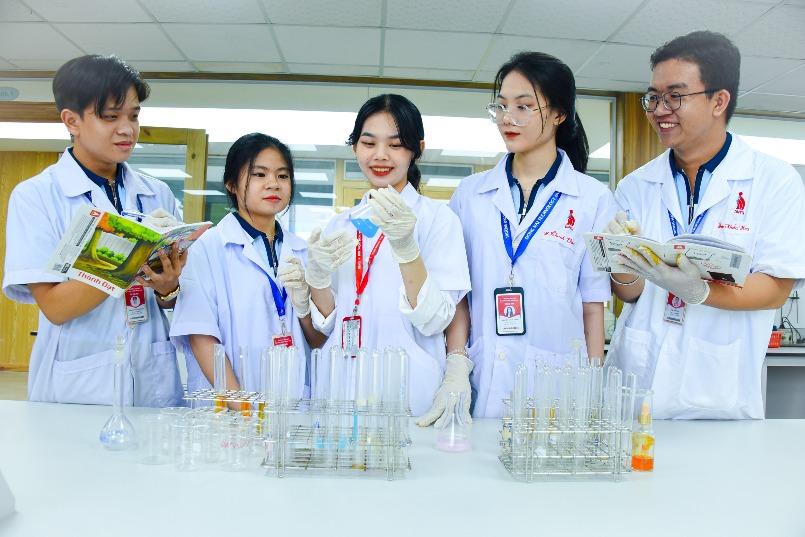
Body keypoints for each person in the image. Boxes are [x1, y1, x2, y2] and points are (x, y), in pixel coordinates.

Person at [605, 31, 805, 419]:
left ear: (718, 101)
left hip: (717, 390)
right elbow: (630, 295)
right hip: (635, 387)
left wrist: (698, 291)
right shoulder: (636, 185)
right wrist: (621, 264)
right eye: (653, 97)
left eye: (674, 96)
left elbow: (775, 289)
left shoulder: (773, 181)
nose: (659, 109)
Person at [426, 51, 616, 422]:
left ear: (559, 114)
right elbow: (459, 296)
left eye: (523, 107)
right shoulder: (470, 195)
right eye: (500, 106)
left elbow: (592, 304)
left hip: (559, 383)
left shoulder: (593, 199)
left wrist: (593, 389)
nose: (507, 118)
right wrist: (456, 364)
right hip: (484, 376)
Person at [3, 55, 186, 406]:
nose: (127, 129)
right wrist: (130, 254)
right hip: (81, 377)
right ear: (71, 121)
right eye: (111, 116)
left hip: (153, 372)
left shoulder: (156, 193)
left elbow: (172, 295)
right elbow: (55, 307)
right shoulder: (37, 196)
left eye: (133, 116)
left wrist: (169, 288)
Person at [306, 94, 470, 418]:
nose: (380, 155)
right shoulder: (340, 224)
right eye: (369, 143)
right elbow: (327, 323)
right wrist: (318, 281)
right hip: (342, 387)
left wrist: (407, 249)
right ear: (355, 147)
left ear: (417, 149)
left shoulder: (438, 219)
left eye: (395, 145)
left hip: (408, 386)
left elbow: (437, 319)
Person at [170, 133, 324, 397]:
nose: (274, 184)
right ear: (231, 183)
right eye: (259, 174)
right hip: (230, 406)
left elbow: (319, 340)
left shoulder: (303, 251)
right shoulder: (208, 247)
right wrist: (241, 407)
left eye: (283, 176)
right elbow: (201, 336)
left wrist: (304, 310)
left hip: (291, 402)